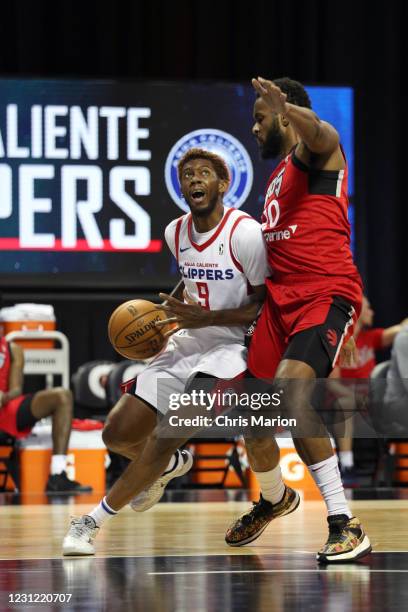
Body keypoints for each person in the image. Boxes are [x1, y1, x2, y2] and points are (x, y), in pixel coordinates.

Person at [62, 147, 298, 555]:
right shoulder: (175, 232)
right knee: (116, 433)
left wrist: (204, 318)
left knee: (167, 436)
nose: (193, 180)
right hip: (186, 342)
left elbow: (265, 304)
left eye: (203, 173)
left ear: (223, 184)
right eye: (187, 174)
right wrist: (160, 317)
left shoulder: (245, 233)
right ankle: (169, 466)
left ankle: (90, 522)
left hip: (231, 349)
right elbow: (191, 285)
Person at [225, 77, 371, 563]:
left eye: (261, 117)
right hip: (280, 304)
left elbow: (324, 136)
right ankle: (273, 498)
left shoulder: (316, 155)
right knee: (252, 414)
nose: (254, 126)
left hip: (324, 292)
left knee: (290, 391)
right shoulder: (275, 178)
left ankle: (343, 522)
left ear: (285, 116)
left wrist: (287, 105)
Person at [330, 296, 408, 482]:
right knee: (346, 403)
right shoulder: (337, 343)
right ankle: (347, 464)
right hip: (344, 399)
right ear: (355, 313)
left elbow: (402, 328)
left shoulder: (371, 338)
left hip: (371, 401)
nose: (372, 312)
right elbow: (332, 383)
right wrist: (358, 397)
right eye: (368, 308)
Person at [0, 337, 92, 493]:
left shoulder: (12, 349)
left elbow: (15, 389)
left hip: (5, 407)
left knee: (62, 396)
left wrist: (3, 396)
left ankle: (57, 475)